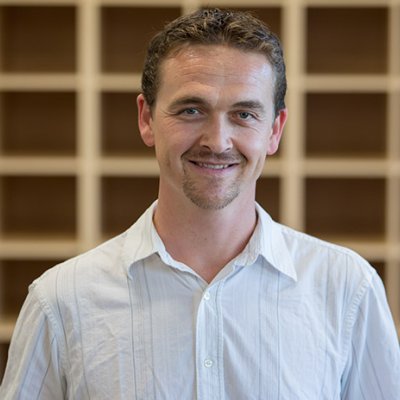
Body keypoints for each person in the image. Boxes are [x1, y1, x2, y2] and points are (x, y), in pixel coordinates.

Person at [1, 8, 399, 400]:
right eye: (192, 110)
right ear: (146, 119)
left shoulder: (348, 289)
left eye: (244, 114)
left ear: (274, 130)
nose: (218, 141)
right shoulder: (61, 301)